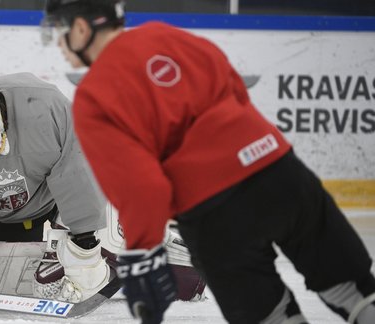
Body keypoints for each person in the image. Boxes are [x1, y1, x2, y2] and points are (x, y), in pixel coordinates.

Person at [41, 1, 375, 324]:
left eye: (60, 30)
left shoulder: (94, 97)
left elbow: (142, 187)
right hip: (282, 173)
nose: (59, 43)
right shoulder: (169, 36)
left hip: (215, 215)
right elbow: (236, 94)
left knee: (272, 317)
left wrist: (143, 256)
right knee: (354, 291)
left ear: (82, 27)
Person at [0, 72, 205, 315]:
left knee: (115, 213)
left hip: (51, 208)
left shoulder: (44, 107)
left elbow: (77, 174)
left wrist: (85, 241)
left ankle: (157, 247)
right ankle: (51, 261)